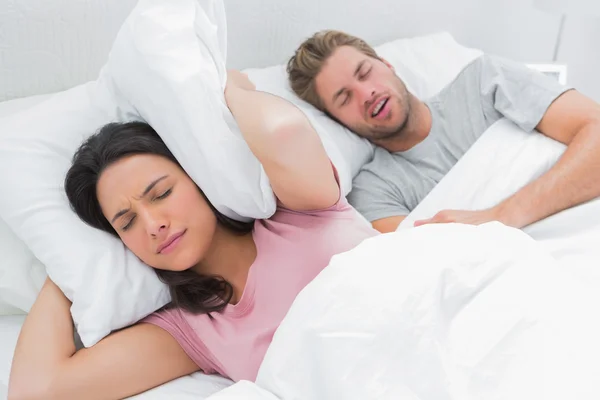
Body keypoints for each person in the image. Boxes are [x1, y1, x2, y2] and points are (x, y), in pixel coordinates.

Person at [7, 70, 378, 400]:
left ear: (200, 177)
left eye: (162, 193)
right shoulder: (194, 329)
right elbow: (37, 390)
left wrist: (231, 89)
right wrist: (69, 263)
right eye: (126, 222)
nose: (153, 225)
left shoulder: (300, 211)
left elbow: (282, 131)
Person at [287, 30, 600, 233]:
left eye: (365, 73)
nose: (365, 93)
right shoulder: (375, 191)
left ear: (387, 65)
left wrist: (502, 215)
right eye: (344, 98)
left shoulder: (484, 82)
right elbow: (427, 265)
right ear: (337, 121)